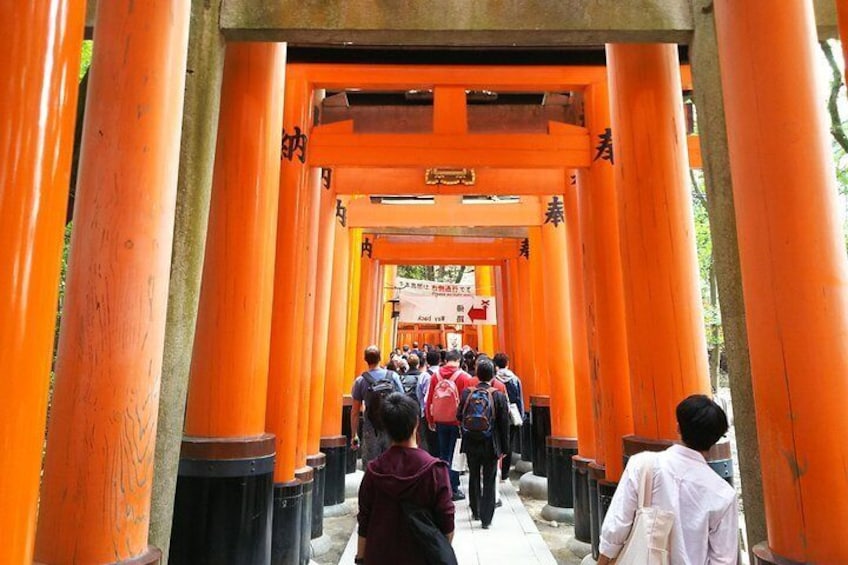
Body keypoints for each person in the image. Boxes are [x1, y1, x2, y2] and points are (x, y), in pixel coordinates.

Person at [598, 395, 738, 565]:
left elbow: (617, 526)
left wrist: (603, 561)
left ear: (678, 428)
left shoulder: (642, 464)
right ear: (716, 439)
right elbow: (724, 559)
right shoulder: (723, 494)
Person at [356, 393, 456, 565]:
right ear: (416, 423)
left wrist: (360, 558)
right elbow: (447, 523)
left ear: (385, 427)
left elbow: (364, 521)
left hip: (380, 555)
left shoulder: (373, 471)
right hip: (421, 556)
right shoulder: (435, 470)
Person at [456, 359, 510, 528]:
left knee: (473, 475)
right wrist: (505, 447)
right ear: (493, 375)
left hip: (471, 441)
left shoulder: (467, 393)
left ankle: (476, 510)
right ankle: (487, 518)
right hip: (491, 443)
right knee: (489, 478)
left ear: (477, 374)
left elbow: (459, 416)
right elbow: (504, 424)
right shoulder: (498, 395)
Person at [425, 348, 473, 501]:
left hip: (439, 420)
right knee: (456, 454)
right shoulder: (464, 377)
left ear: (446, 360)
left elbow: (429, 399)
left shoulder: (435, 376)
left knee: (443, 453)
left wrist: (430, 419)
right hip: (457, 422)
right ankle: (453, 487)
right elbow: (467, 402)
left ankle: (442, 484)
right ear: (459, 361)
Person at [351, 345, 404, 465]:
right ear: (380, 358)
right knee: (391, 462)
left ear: (365, 359)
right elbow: (402, 401)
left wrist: (354, 434)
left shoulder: (360, 381)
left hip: (370, 426)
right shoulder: (393, 376)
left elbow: (355, 411)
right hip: (391, 426)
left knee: (371, 463)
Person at [493, 352, 524, 480]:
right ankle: (505, 473)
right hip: (511, 415)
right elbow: (519, 399)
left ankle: (497, 468)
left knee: (496, 441)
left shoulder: (494, 379)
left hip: (496, 415)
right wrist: (521, 416)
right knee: (509, 444)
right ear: (507, 364)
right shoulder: (515, 379)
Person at [418, 349, 442, 457]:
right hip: (443, 413)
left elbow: (419, 394)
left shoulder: (423, 375)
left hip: (426, 412)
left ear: (427, 361)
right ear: (440, 360)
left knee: (428, 442)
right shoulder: (443, 374)